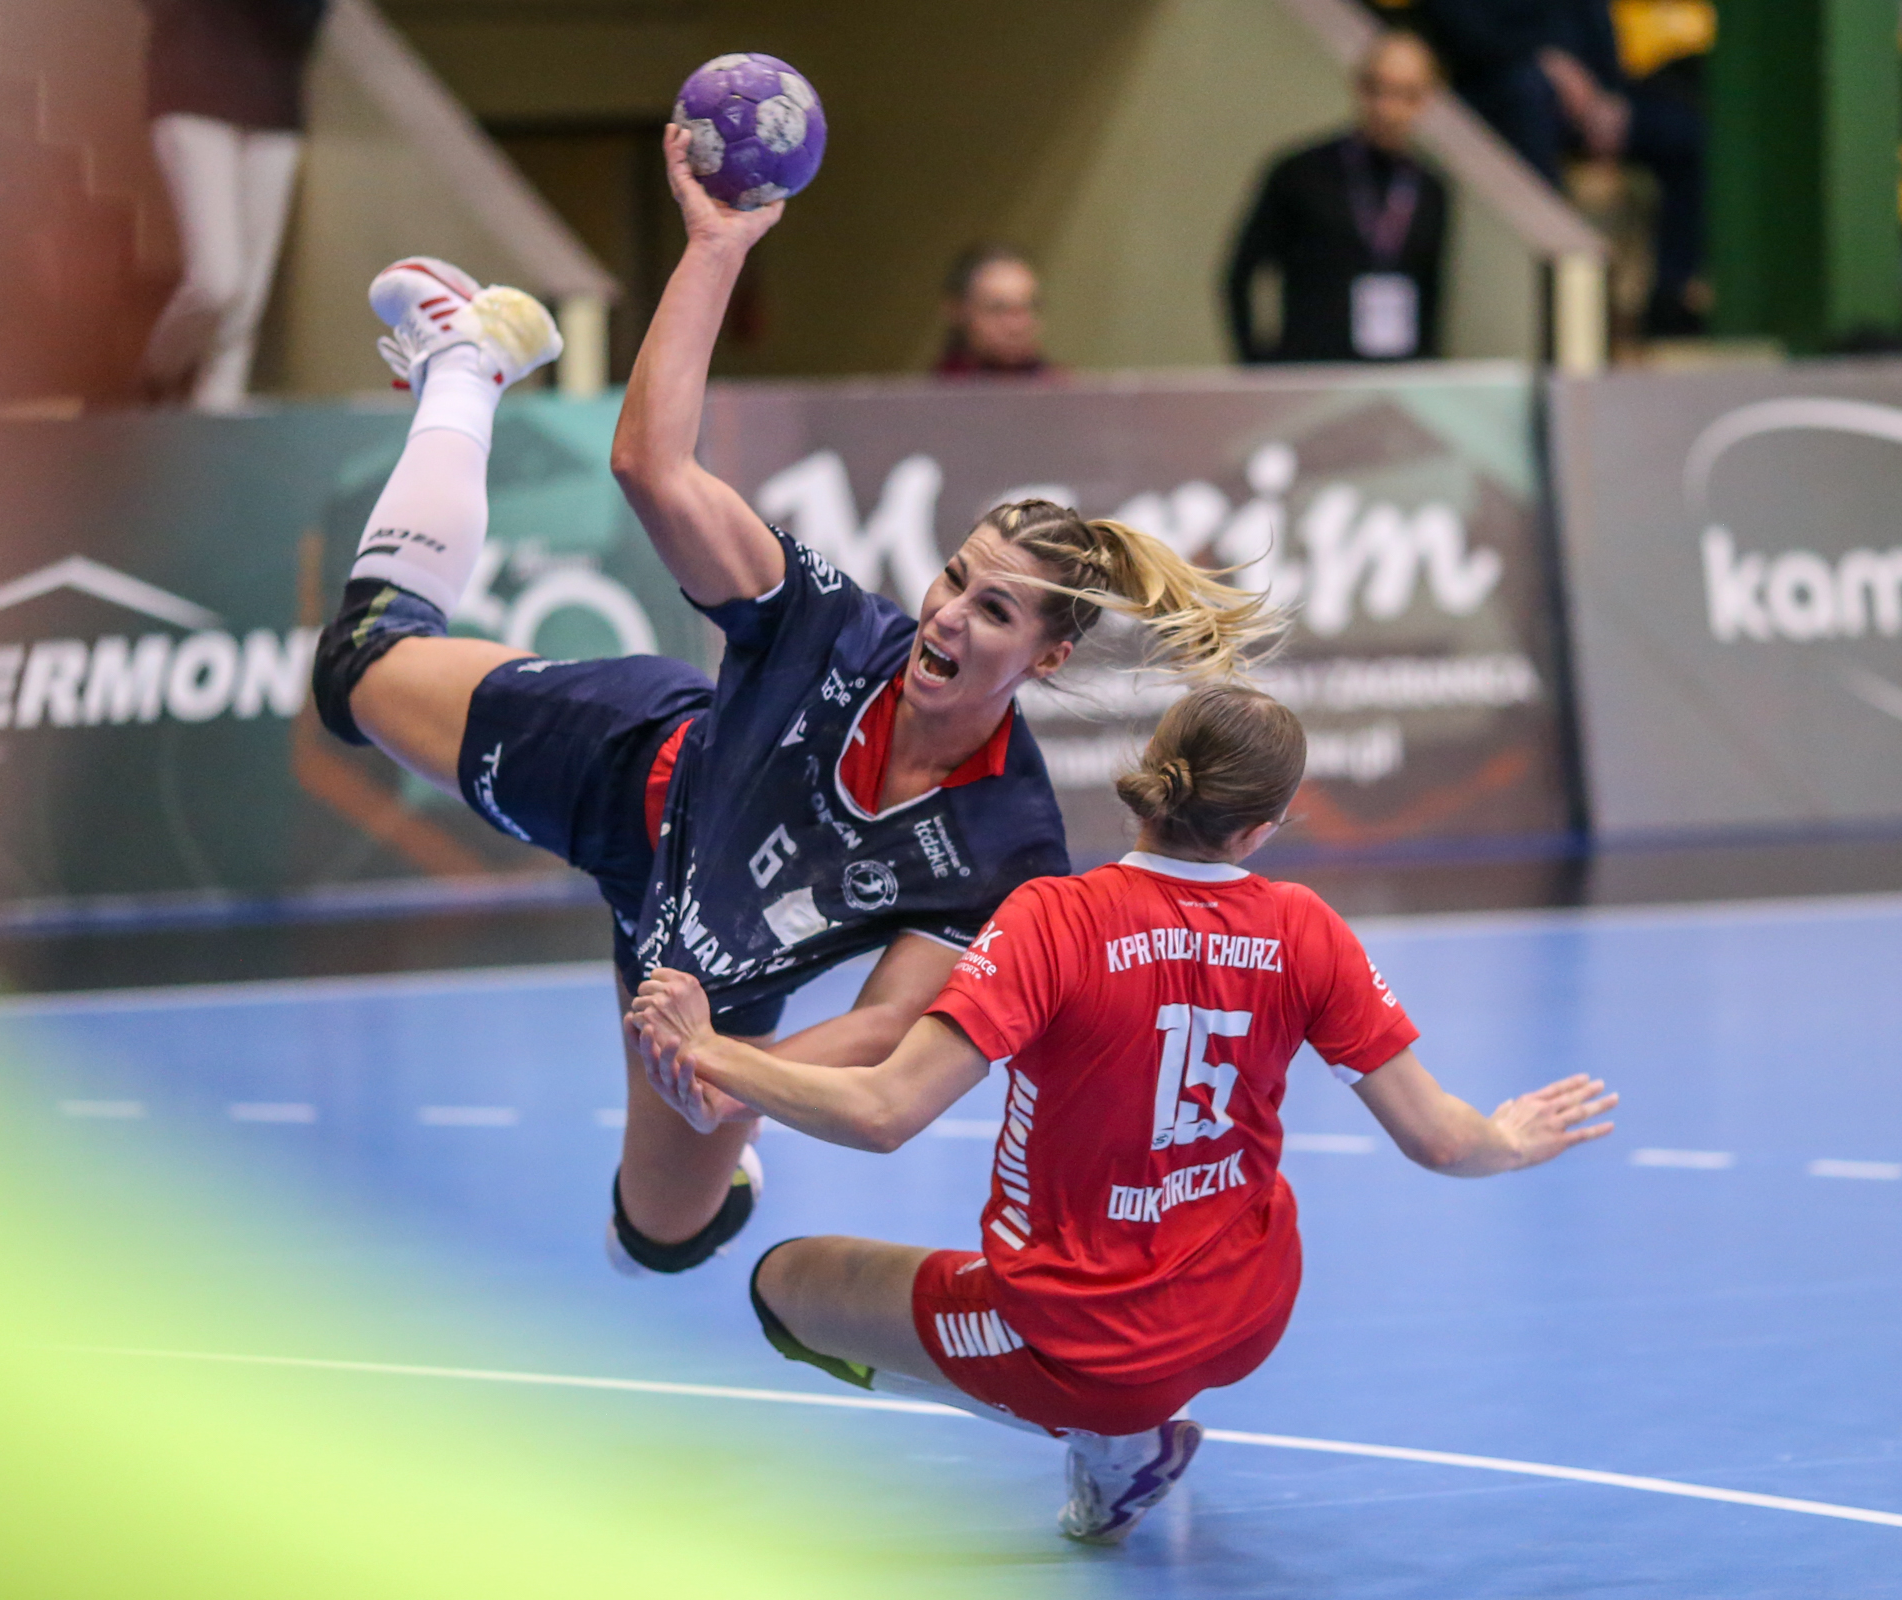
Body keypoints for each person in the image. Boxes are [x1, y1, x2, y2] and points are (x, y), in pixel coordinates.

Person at [307, 126, 1279, 1278]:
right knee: (356, 665)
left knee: (657, 1239)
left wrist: (732, 1075)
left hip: (709, 977)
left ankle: (716, 1173)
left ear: (1048, 658)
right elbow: (652, 468)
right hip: (626, 772)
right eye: (954, 578)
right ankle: (467, 363)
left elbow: (885, 1027)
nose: (949, 616)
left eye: (996, 611)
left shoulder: (1007, 844)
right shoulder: (830, 629)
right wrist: (717, 246)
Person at [628, 686, 1619, 1543]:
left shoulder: (1054, 919)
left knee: (784, 1288)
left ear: (1149, 775)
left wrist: (714, 1051)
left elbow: (884, 1111)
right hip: (1249, 1308)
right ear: (1262, 829)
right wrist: (1510, 1138)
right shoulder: (1305, 928)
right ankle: (1122, 1428)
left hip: (1085, 1341)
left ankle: (1115, 1442)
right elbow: (1441, 1139)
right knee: (1079, 1291)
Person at [1416, 0, 1708, 335]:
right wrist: (1543, 62)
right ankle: (1556, 269)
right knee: (1529, 91)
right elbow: (1460, 30)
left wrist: (1606, 97)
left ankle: (1669, 297)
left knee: (1686, 132)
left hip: (1584, 99)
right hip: (1497, 88)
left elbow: (1599, 27)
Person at [138, 0, 328, 411]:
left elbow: (305, 18)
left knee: (248, 296)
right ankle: (157, 374)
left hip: (274, 109)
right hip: (191, 98)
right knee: (217, 281)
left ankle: (218, 406)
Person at [1225, 31, 1451, 364]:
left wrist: (1425, 368)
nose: (1387, 108)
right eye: (1377, 88)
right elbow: (1241, 273)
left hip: (1393, 371)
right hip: (1311, 366)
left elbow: (1431, 293)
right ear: (1358, 86)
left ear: (1427, 98)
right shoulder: (1301, 172)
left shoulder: (1431, 189)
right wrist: (1256, 366)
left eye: (1406, 94)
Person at [935, 244, 1050, 376]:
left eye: (1029, 307)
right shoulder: (934, 386)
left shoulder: (1056, 384)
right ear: (957, 310)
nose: (1017, 326)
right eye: (997, 309)